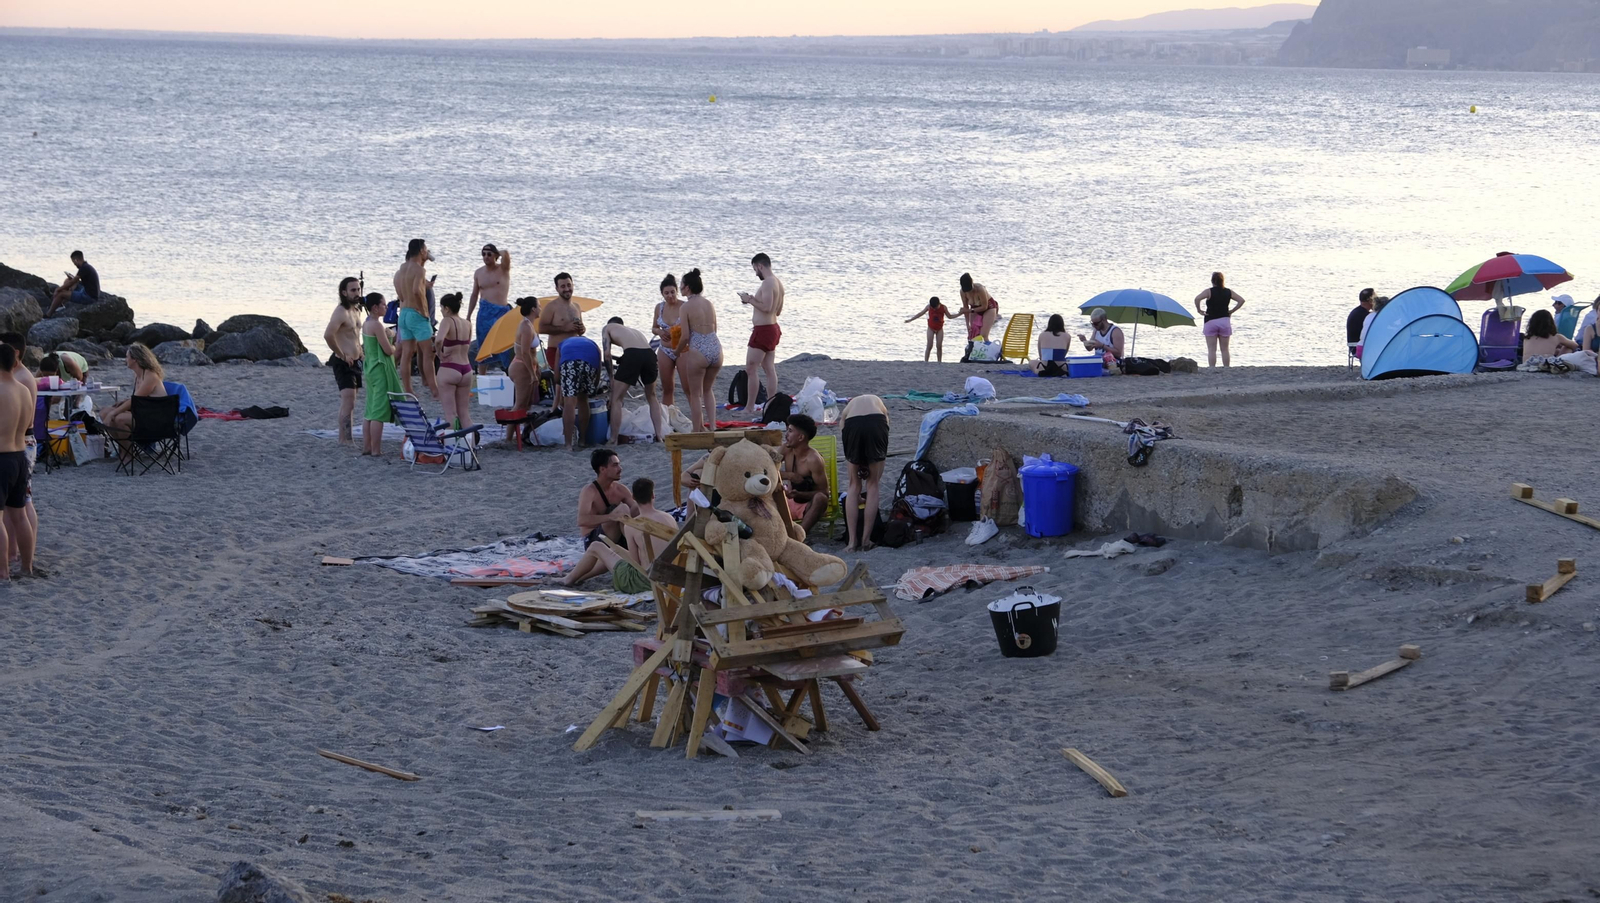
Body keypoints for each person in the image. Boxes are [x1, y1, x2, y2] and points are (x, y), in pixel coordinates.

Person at [562, 476, 673, 592]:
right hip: (667, 578)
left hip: (643, 582)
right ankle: (577, 577)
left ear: (634, 498)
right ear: (653, 495)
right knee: (615, 549)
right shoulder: (669, 518)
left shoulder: (633, 526)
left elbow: (634, 564)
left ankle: (567, 580)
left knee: (596, 546)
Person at [2, 333, 38, 574]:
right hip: (20, 456)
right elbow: (27, 425)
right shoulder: (24, 390)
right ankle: (27, 567)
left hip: (1, 457)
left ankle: (3, 571)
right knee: (20, 515)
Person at [601, 317, 666, 444]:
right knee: (652, 396)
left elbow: (607, 355)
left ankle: (613, 438)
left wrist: (611, 378)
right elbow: (640, 352)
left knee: (616, 399)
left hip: (632, 354)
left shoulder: (607, 328)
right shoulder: (634, 331)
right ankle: (659, 435)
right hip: (649, 355)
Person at [734, 252, 784, 417]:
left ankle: (749, 407)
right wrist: (753, 300)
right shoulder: (778, 282)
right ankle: (770, 403)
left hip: (764, 330)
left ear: (760, 266)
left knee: (751, 368)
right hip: (772, 327)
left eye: (755, 269)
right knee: (769, 368)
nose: (756, 272)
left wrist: (749, 300)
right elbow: (778, 310)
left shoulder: (769, 282)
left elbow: (768, 307)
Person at [674, 268, 722, 432]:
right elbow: (715, 328)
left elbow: (686, 336)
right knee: (708, 390)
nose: (680, 288)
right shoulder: (709, 303)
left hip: (699, 347)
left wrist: (677, 351)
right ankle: (713, 426)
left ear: (687, 287)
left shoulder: (685, 307)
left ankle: (697, 429)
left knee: (695, 394)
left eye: (681, 285)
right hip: (715, 346)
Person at [99, 344, 169, 453]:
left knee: (119, 418)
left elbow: (136, 400)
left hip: (155, 419)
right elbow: (139, 399)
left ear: (135, 359)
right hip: (143, 412)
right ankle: (124, 449)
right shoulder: (138, 375)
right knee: (104, 412)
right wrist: (123, 403)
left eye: (127, 357)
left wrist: (113, 413)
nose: (125, 359)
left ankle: (127, 452)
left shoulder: (150, 376)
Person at [841, 394, 889, 552]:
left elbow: (843, 428)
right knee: (873, 484)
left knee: (854, 485)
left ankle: (852, 542)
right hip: (877, 422)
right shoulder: (877, 401)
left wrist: (857, 464)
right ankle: (866, 540)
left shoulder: (850, 407)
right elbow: (886, 423)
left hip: (851, 425)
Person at [392, 238, 438, 398]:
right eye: (425, 249)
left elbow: (400, 291)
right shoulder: (419, 270)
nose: (427, 251)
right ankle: (434, 389)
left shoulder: (401, 269)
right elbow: (417, 291)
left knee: (407, 353)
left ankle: (408, 389)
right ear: (421, 251)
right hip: (417, 314)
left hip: (403, 313)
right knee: (428, 353)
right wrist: (423, 311)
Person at [324, 276, 365, 444]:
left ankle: (347, 438)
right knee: (348, 400)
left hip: (356, 361)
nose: (357, 293)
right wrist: (341, 354)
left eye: (358, 289)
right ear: (344, 292)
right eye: (353, 290)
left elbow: (354, 335)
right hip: (343, 362)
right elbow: (328, 335)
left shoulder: (356, 310)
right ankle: (345, 439)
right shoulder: (341, 311)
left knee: (352, 402)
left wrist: (361, 352)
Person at [359, 292, 401, 457]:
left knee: (370, 409)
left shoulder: (366, 323)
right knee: (378, 411)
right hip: (379, 368)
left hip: (370, 368)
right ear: (375, 308)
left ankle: (367, 447)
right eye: (383, 305)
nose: (385, 307)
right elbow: (387, 349)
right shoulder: (376, 325)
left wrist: (388, 335)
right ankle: (375, 449)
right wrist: (395, 347)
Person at [576, 448, 640, 549]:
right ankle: (636, 549)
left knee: (637, 507)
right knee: (622, 509)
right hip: (595, 541)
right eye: (615, 465)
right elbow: (581, 520)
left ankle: (636, 548)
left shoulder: (620, 489)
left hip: (618, 538)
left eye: (619, 464)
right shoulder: (590, 491)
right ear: (602, 469)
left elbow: (636, 509)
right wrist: (611, 517)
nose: (620, 468)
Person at [538, 272, 585, 405]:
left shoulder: (576, 307)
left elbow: (581, 330)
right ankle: (562, 409)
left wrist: (581, 329)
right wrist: (564, 328)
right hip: (556, 350)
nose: (567, 289)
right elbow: (541, 328)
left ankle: (562, 408)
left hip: (575, 350)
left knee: (574, 384)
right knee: (564, 382)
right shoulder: (551, 307)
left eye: (569, 285)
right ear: (557, 289)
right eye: (563, 286)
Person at [779, 413, 830, 537]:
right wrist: (790, 476)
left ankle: (799, 537)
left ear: (801, 437)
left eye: (790, 431)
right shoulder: (786, 449)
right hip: (786, 502)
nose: (786, 435)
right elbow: (767, 469)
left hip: (806, 506)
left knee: (821, 499)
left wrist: (800, 494)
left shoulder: (813, 460)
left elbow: (824, 493)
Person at [434, 293, 475, 433]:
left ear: (446, 308)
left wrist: (439, 353)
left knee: (450, 414)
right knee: (464, 413)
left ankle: (452, 448)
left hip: (450, 368)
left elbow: (439, 340)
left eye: (441, 308)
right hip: (466, 369)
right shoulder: (468, 323)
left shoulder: (447, 321)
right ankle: (471, 446)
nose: (440, 311)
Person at [470, 244, 513, 374]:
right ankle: (481, 376)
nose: (486, 257)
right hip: (484, 312)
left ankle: (509, 374)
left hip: (501, 311)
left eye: (489, 254)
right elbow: (474, 295)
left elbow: (506, 253)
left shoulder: (503, 269)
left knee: (504, 346)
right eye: (483, 254)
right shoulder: (478, 273)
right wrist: (468, 316)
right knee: (483, 346)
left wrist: (497, 252)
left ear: (495, 255)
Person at [558, 334, 605, 451]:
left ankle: (568, 444)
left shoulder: (562, 344)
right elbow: (599, 368)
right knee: (583, 400)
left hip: (569, 364)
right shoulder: (593, 344)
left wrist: (562, 394)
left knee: (569, 402)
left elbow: (556, 374)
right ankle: (583, 440)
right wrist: (594, 385)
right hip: (589, 364)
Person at [1195, 271, 1246, 367]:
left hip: (1210, 321)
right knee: (1225, 349)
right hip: (1224, 321)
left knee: (1211, 349)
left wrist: (1199, 310)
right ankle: (1226, 368)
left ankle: (1212, 368)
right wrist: (1231, 311)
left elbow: (1197, 299)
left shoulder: (1209, 291)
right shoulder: (1228, 292)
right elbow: (1241, 300)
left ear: (1212, 281)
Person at [652, 274, 685, 406]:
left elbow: (694, 328)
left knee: (688, 387)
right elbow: (654, 327)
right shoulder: (659, 308)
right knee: (667, 388)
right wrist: (660, 331)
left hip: (683, 349)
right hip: (664, 349)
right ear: (662, 294)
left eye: (672, 292)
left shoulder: (685, 307)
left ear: (677, 291)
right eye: (666, 293)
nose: (670, 296)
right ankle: (667, 415)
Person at [508, 296, 542, 411]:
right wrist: (532, 374)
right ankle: (510, 429)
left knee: (527, 405)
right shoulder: (526, 327)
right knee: (520, 405)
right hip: (521, 366)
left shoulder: (530, 325)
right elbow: (525, 353)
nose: (541, 309)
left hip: (528, 366)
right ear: (533, 309)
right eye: (539, 306)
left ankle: (522, 429)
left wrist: (536, 367)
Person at [45, 250, 101, 316]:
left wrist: (58, 289)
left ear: (76, 260)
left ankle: (49, 314)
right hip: (87, 291)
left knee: (61, 293)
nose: (74, 264)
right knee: (68, 280)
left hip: (89, 297)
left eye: (73, 262)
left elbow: (72, 282)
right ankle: (60, 304)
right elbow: (75, 281)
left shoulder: (84, 268)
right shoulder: (86, 266)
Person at [906, 296, 951, 362]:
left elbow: (950, 316)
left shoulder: (943, 307)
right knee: (929, 345)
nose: (934, 309)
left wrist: (960, 313)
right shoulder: (929, 307)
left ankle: (939, 362)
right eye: (933, 308)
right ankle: (926, 361)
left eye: (935, 307)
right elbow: (920, 313)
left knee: (939, 346)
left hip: (939, 329)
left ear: (939, 304)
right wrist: (911, 319)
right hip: (931, 328)